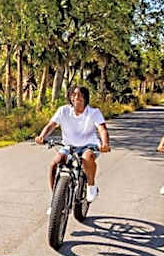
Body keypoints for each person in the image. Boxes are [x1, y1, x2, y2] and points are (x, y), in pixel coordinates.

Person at [34, 86, 111, 214]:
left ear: (85, 98)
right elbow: (51, 125)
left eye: (80, 95)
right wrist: (42, 136)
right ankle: (55, 201)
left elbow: (102, 129)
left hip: (89, 145)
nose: (76, 97)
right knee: (54, 164)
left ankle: (91, 186)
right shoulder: (63, 110)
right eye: (73, 94)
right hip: (69, 146)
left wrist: (105, 143)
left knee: (87, 158)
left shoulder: (94, 112)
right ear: (70, 97)